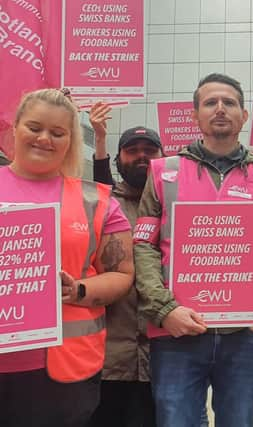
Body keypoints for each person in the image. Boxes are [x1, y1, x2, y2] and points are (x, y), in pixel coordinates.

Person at [134, 73, 253, 427]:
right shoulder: (162, 171)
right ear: (195, 115)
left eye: (229, 102)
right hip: (176, 331)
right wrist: (164, 310)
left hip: (245, 336)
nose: (220, 109)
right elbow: (143, 244)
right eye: (210, 103)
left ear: (244, 115)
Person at [0, 88, 134, 427]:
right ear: (14, 127)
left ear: (70, 139)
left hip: (63, 370)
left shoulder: (97, 200)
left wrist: (79, 291)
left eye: (58, 133)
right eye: (34, 127)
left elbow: (121, 275)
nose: (44, 138)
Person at [88, 100, 163, 427]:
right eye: (133, 150)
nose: (142, 155)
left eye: (150, 149)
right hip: (108, 358)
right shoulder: (99, 204)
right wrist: (100, 137)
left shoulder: (178, 206)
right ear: (119, 159)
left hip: (164, 359)